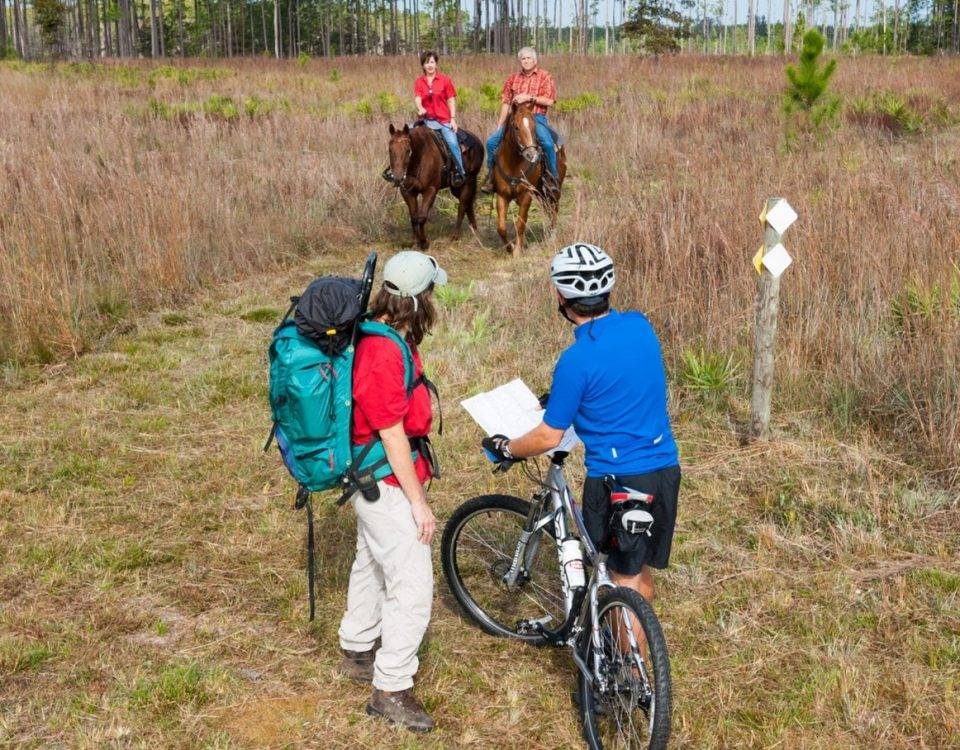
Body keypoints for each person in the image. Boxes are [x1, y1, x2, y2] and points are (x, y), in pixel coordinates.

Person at [481, 242, 680, 610]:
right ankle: (640, 635)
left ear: (560, 295)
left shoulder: (576, 360)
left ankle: (626, 666)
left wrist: (506, 447)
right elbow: (621, 378)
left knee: (620, 581)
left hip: (616, 480)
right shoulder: (640, 325)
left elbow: (547, 436)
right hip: (665, 469)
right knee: (635, 569)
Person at [337, 250, 445, 734]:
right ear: (419, 300)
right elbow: (391, 432)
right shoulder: (382, 352)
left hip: (372, 479)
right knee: (413, 580)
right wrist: (418, 504)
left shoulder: (382, 332)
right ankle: (392, 688)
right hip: (381, 477)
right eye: (432, 293)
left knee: (371, 558)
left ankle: (357, 647)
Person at [481, 46, 559, 195]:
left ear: (535, 60)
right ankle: (491, 177)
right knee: (491, 142)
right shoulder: (513, 78)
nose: (526, 61)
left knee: (548, 143)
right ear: (520, 61)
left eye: (529, 58)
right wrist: (500, 124)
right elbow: (505, 102)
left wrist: (529, 98)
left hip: (535, 118)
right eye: (523, 58)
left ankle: (552, 178)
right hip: (515, 121)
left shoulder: (545, 76)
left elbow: (549, 101)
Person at [414, 50, 466, 187]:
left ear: (436, 64)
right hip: (425, 120)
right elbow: (418, 99)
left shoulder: (445, 80)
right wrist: (420, 108)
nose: (429, 65)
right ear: (423, 65)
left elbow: (451, 100)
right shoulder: (419, 82)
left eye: (432, 62)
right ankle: (402, 172)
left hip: (443, 120)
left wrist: (453, 118)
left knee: (453, 143)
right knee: (403, 138)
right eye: (426, 63)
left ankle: (460, 172)